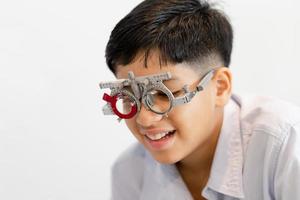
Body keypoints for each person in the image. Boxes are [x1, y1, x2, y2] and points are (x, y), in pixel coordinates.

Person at [99, 0, 300, 199]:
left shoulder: (283, 144)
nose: (144, 119)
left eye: (164, 93)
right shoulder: (131, 173)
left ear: (220, 87)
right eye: (128, 96)